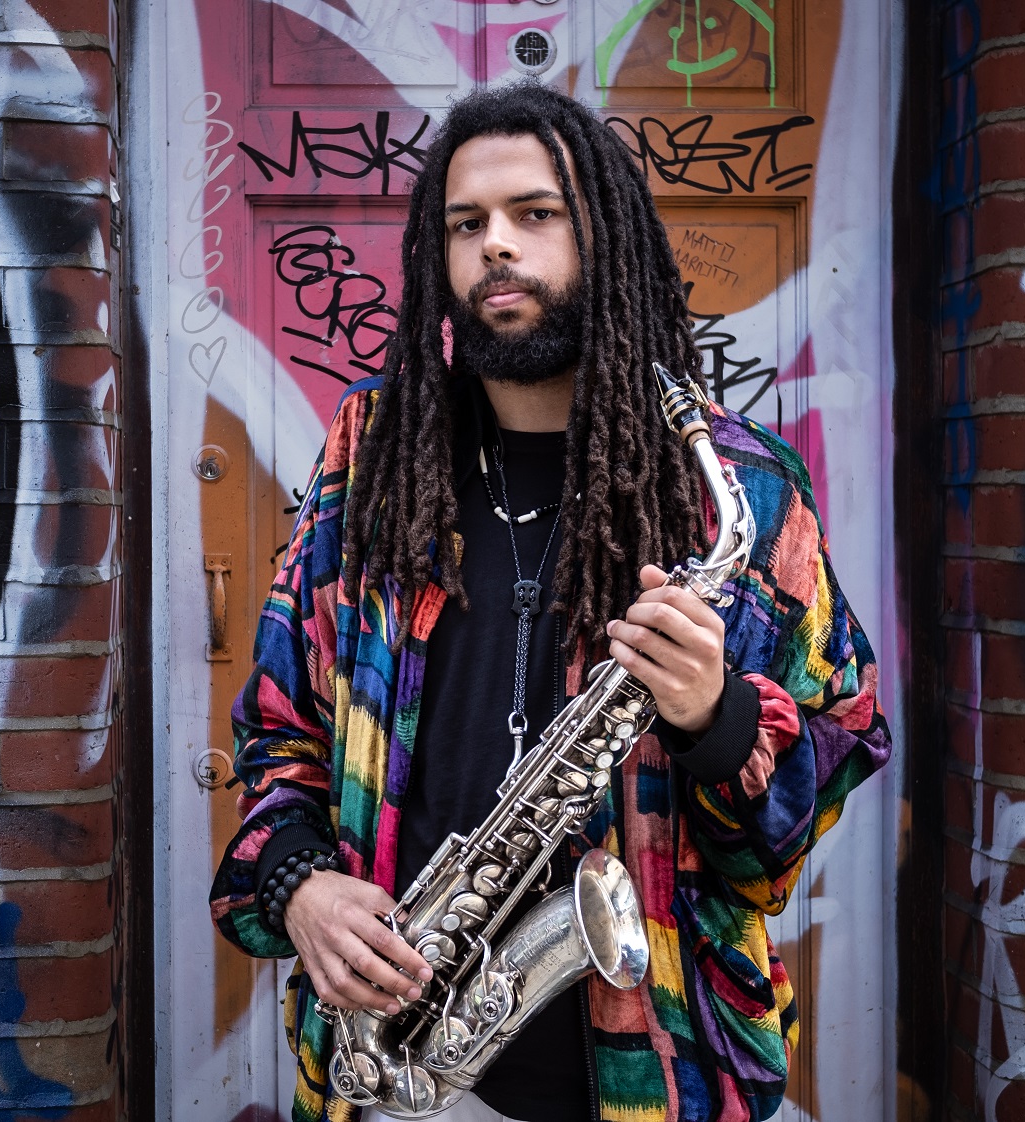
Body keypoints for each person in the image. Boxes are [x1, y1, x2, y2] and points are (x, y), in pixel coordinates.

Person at [210, 82, 891, 1122]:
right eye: (466, 223)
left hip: (665, 1067)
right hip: (386, 1061)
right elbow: (278, 729)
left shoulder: (737, 490)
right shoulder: (372, 460)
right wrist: (299, 884)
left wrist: (716, 718)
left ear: (605, 239)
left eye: (535, 213)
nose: (495, 245)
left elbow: (838, 747)